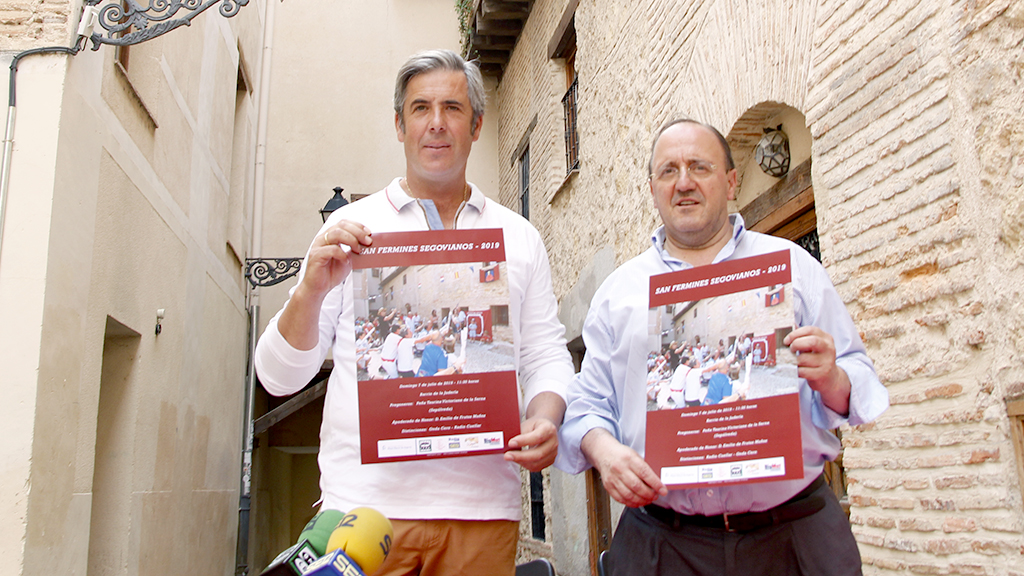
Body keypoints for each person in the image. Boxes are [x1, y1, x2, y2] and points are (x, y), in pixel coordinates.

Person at [254, 49, 573, 576]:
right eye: (420, 108)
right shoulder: (350, 231)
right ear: (399, 126)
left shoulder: (519, 238)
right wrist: (311, 287)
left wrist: (546, 417)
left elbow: (545, 354)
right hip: (362, 514)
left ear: (476, 125)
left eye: (452, 106)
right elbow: (279, 376)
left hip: (480, 514)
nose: (437, 123)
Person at [556, 119, 889, 576]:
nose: (684, 183)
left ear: (731, 182)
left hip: (793, 536)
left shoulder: (792, 268)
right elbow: (585, 406)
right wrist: (603, 451)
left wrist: (833, 378)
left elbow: (861, 381)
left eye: (699, 167)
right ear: (652, 188)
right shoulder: (618, 294)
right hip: (660, 543)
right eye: (668, 171)